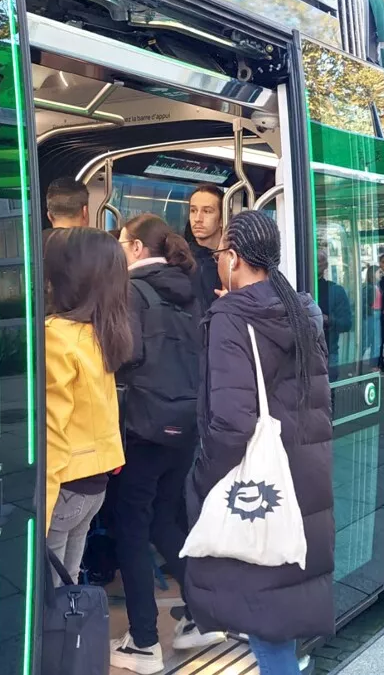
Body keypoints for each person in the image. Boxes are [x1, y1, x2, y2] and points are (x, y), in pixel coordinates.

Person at [186, 211, 333, 675]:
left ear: (234, 257)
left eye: (218, 254)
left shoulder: (232, 316)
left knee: (263, 620)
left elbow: (231, 422)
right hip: (301, 473)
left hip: (258, 482)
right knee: (276, 611)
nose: (216, 263)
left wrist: (203, 477)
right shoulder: (301, 308)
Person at [111, 215, 220, 672]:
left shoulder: (131, 292)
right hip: (185, 424)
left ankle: (142, 642)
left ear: (135, 248)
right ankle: (202, 615)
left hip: (143, 426)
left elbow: (124, 356)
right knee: (165, 521)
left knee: (130, 530)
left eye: (120, 242)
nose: (117, 250)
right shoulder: (187, 288)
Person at [42, 228, 130, 586]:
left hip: (63, 486)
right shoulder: (100, 330)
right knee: (70, 584)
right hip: (94, 483)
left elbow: (52, 431)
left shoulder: (56, 335)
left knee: (48, 589)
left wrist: (39, 509)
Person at [185, 185, 224, 313]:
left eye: (207, 211)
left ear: (222, 219)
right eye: (193, 211)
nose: (197, 219)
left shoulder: (235, 262)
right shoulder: (180, 259)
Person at [317, 250, 353, 378]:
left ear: (326, 265)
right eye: (313, 259)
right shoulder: (294, 286)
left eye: (319, 261)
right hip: (299, 353)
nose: (316, 264)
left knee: (328, 395)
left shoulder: (335, 291)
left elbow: (347, 324)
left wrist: (329, 320)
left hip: (328, 352)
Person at [361, 265, 383, 371]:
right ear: (373, 274)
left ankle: (373, 365)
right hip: (372, 314)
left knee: (375, 341)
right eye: (379, 272)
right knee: (372, 341)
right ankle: (372, 366)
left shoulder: (376, 286)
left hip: (376, 313)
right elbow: (365, 303)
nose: (381, 274)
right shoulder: (369, 287)